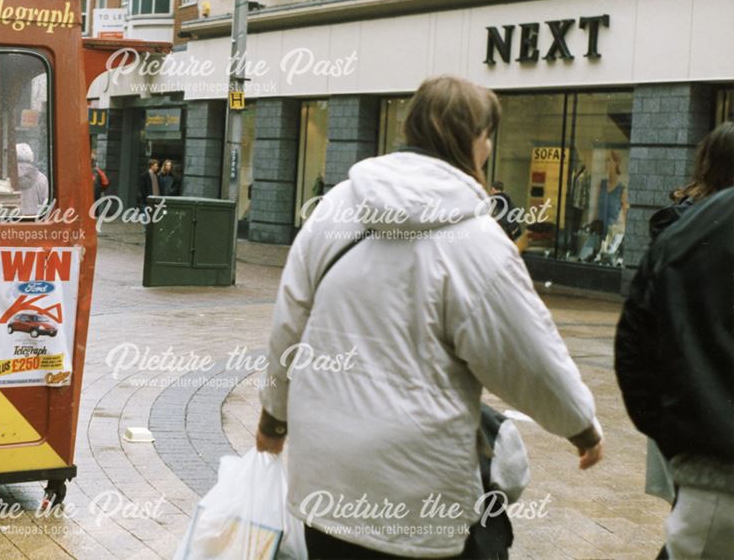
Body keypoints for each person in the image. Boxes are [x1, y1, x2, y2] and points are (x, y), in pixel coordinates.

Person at [255, 75, 603, 559]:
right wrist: (580, 426)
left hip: (325, 481)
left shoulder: (336, 206)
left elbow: (288, 323)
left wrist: (274, 418)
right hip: (415, 496)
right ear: (476, 140)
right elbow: (527, 354)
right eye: (487, 137)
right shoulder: (478, 240)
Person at [616, 121, 734, 559]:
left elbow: (634, 344)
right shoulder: (679, 225)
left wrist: (669, 432)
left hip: (694, 424)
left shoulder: (679, 227)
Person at [16, 143, 48, 216]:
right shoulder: (41, 179)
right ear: (31, 157)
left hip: (11, 222)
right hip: (34, 222)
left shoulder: (7, 178)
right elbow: (46, 204)